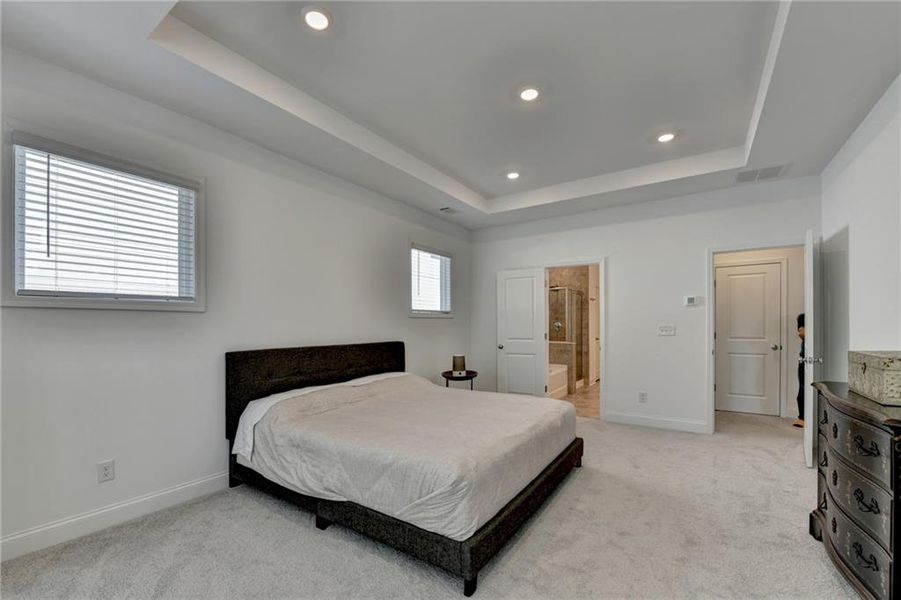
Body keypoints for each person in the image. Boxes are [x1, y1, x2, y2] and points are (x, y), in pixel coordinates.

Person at [793, 313, 805, 428]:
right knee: (802, 388)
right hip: (803, 361)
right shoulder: (803, 318)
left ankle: (803, 417)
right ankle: (802, 417)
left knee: (803, 388)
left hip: (807, 361)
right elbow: (801, 333)